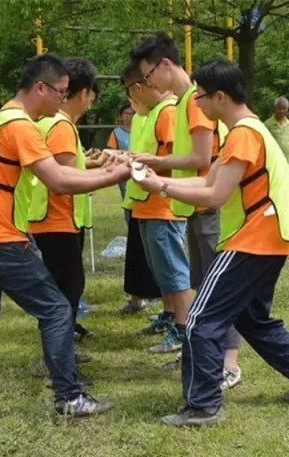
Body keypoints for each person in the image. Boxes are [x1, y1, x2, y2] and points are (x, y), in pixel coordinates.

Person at [0, 54, 130, 417]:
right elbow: (59, 181)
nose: (62, 100)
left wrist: (102, 171)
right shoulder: (20, 126)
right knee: (55, 310)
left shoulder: (3, 118)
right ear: (40, 88)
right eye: (61, 92)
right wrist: (116, 176)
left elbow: (62, 172)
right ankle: (69, 397)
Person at [136, 59, 289, 426]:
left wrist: (160, 186)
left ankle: (203, 406)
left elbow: (214, 197)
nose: (196, 102)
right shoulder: (246, 130)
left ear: (221, 97)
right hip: (270, 240)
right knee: (251, 318)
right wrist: (158, 178)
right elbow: (207, 183)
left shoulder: (243, 133)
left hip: (252, 241)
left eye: (201, 96)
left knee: (199, 319)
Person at [130, 33, 243, 386]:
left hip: (208, 203)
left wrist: (155, 163)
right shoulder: (184, 103)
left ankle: (230, 362)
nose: (147, 84)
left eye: (148, 76)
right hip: (193, 204)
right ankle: (202, 352)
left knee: (219, 286)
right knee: (202, 283)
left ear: (165, 65)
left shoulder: (196, 101)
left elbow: (199, 158)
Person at [28, 57, 98, 384]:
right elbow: (66, 176)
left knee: (62, 293)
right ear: (82, 93)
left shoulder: (46, 122)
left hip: (50, 220)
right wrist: (114, 173)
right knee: (65, 296)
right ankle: (57, 366)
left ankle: (60, 355)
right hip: (58, 222)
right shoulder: (61, 125)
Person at [122, 62, 191, 354]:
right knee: (164, 273)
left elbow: (175, 159)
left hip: (164, 208)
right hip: (148, 207)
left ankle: (184, 329)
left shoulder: (168, 112)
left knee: (175, 274)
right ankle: (170, 316)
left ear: (137, 88)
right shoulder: (151, 114)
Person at [118, 95, 162, 315]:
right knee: (137, 254)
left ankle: (174, 316)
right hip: (136, 199)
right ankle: (138, 298)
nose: (131, 107)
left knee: (167, 268)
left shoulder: (164, 112)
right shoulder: (140, 118)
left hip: (159, 202)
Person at [107, 101, 134, 226]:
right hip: (123, 170)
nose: (128, 116)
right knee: (127, 199)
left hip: (140, 168)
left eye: (131, 114)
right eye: (126, 114)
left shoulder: (141, 129)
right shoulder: (116, 133)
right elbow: (111, 151)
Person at [264, 96, 289, 168]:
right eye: (279, 108)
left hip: (287, 162)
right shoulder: (267, 124)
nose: (281, 111)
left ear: (287, 109)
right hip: (273, 162)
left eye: (284, 108)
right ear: (275, 109)